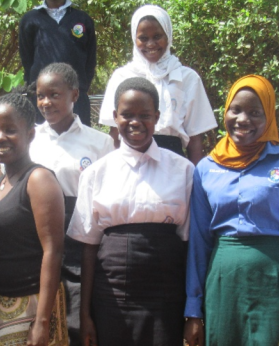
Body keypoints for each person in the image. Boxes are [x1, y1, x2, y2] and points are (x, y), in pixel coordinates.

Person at [184, 75, 279, 346]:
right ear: (225, 112)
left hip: (274, 284)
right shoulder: (206, 169)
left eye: (255, 113)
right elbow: (198, 241)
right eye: (236, 110)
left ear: (269, 117)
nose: (243, 119)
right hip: (222, 287)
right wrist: (193, 309)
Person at [69, 77, 194, 346]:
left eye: (144, 115)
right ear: (115, 117)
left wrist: (193, 310)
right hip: (111, 296)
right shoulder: (96, 174)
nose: (135, 122)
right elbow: (88, 248)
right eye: (127, 115)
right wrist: (85, 313)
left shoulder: (183, 170)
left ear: (157, 117)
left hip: (167, 295)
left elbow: (189, 244)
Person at [29, 62, 114, 346]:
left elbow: (104, 199)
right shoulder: (29, 139)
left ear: (75, 94)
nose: (46, 102)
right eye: (41, 95)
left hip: (78, 244)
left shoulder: (99, 143)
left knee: (76, 319)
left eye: (54, 94)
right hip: (36, 242)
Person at [0, 92, 68, 346]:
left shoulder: (39, 180)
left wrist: (42, 322)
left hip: (32, 304)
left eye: (10, 130)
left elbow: (53, 251)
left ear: (30, 134)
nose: (0, 137)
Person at [98, 4, 216, 164]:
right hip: (129, 160)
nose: (151, 44)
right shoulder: (121, 76)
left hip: (173, 161)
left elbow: (195, 139)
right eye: (143, 38)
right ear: (134, 38)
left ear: (168, 36)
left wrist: (195, 176)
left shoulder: (187, 78)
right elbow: (114, 134)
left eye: (157, 36)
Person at [19, 0, 97, 126]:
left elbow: (90, 62)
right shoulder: (30, 20)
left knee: (79, 140)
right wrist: (37, 89)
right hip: (42, 103)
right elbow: (27, 60)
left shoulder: (82, 20)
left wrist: (79, 88)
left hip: (76, 100)